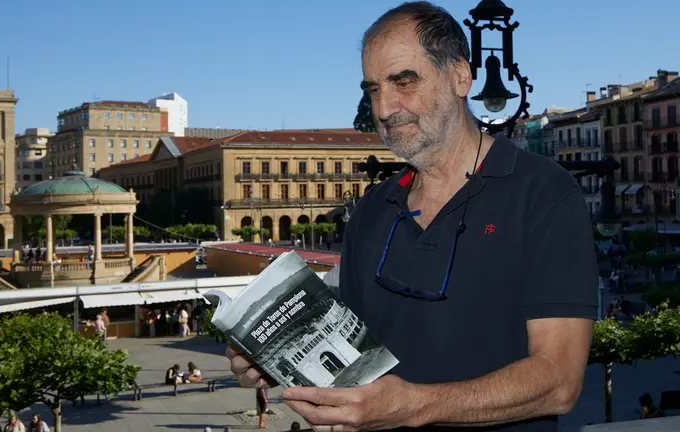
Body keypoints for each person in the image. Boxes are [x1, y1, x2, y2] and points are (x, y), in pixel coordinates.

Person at [226, 3, 597, 431]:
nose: (384, 108)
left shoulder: (544, 192)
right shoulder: (371, 208)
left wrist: (414, 406)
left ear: (460, 76)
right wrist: (277, 355)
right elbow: (351, 352)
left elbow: (558, 382)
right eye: (373, 89)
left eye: (405, 82)